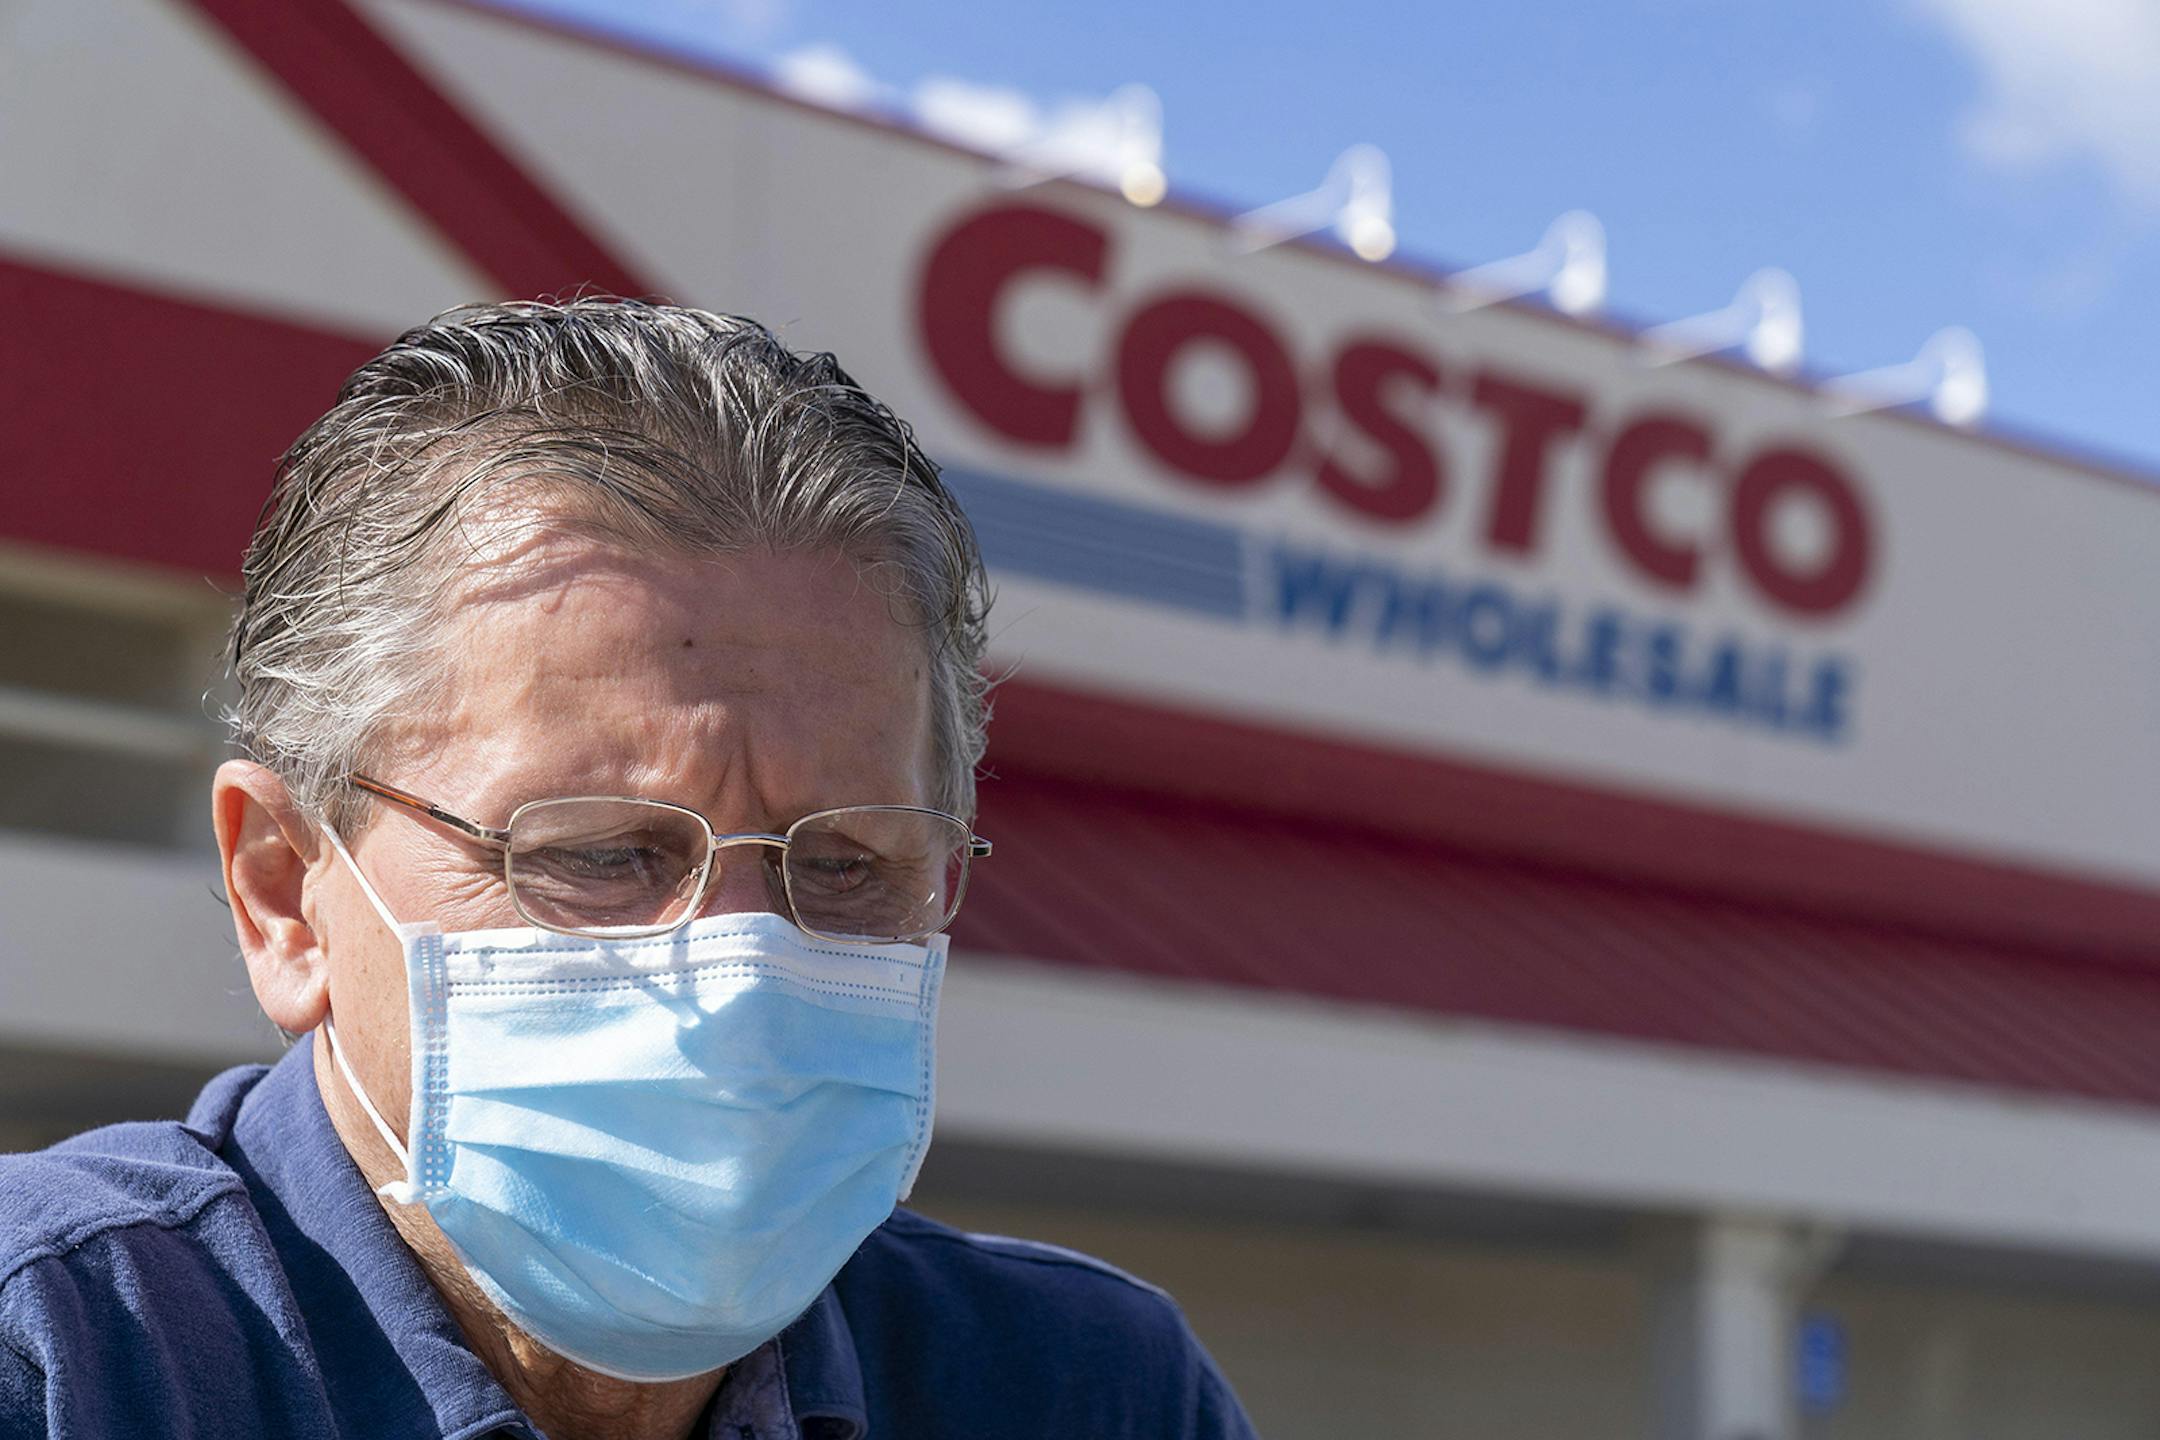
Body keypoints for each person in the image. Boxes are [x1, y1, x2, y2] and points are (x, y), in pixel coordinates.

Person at [0, 300, 1257, 1439]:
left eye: (846, 863)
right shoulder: (55, 1364)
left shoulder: (1090, 1389)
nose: (745, 972)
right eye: (598, 852)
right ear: (285, 893)